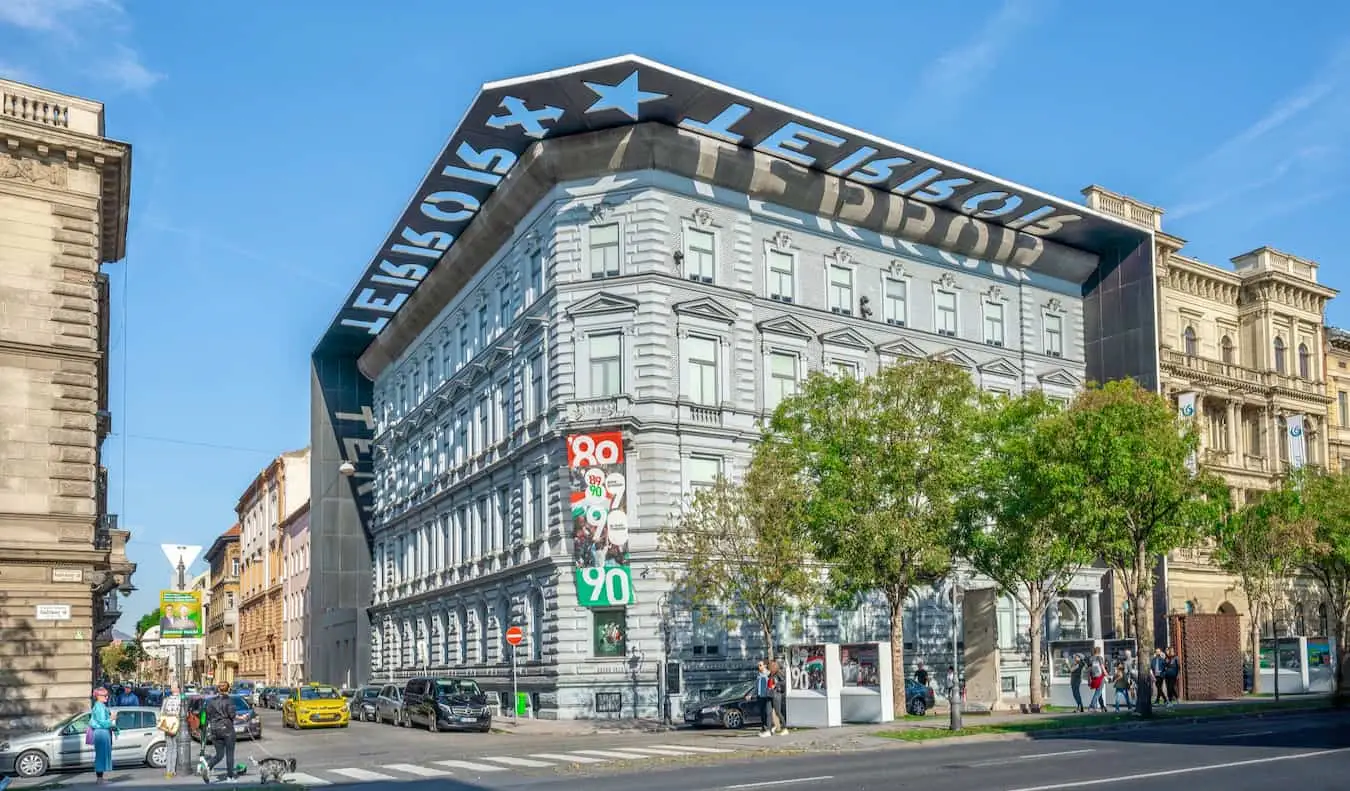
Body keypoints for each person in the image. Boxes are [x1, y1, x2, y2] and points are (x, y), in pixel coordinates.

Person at [197, 683, 239, 783]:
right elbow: (232, 715)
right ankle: (230, 777)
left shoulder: (211, 701)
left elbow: (206, 715)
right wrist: (242, 717)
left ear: (218, 690)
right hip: (227, 730)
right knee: (230, 754)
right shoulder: (229, 700)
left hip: (215, 729)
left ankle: (208, 766)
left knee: (219, 754)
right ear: (228, 690)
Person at [89, 687, 117, 784]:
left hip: (101, 732)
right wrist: (111, 718)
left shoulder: (100, 706)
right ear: (98, 696)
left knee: (101, 755)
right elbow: (103, 723)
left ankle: (100, 778)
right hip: (101, 732)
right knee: (101, 756)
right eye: (105, 695)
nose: (107, 697)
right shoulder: (99, 706)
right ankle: (100, 779)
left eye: (107, 695)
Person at [158, 685, 182, 778]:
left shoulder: (166, 699)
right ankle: (173, 771)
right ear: (178, 689)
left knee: (169, 748)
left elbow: (161, 713)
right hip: (176, 725)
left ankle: (168, 771)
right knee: (175, 748)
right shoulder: (181, 700)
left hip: (167, 725)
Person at [768, 660, 788, 735]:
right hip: (771, 694)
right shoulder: (771, 674)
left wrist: (776, 684)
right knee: (769, 712)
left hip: (777, 694)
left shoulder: (778, 673)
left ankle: (785, 727)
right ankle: (773, 727)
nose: (769, 667)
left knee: (778, 712)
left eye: (770, 666)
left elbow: (784, 682)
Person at [754, 662, 773, 738]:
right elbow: (756, 686)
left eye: (760, 665)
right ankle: (764, 728)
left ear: (765, 665)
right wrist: (753, 694)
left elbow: (771, 684)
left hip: (767, 696)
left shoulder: (768, 674)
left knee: (767, 712)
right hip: (760, 696)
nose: (759, 667)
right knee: (762, 713)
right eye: (758, 665)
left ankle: (769, 728)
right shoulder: (758, 675)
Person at [1086, 647, 1107, 712]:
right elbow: (1102, 666)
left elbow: (1089, 670)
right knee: (1098, 692)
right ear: (1099, 651)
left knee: (1099, 693)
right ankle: (1091, 706)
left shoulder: (1090, 659)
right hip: (1100, 677)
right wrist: (1106, 673)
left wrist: (1089, 680)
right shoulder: (1100, 658)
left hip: (1094, 678)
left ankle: (1102, 707)